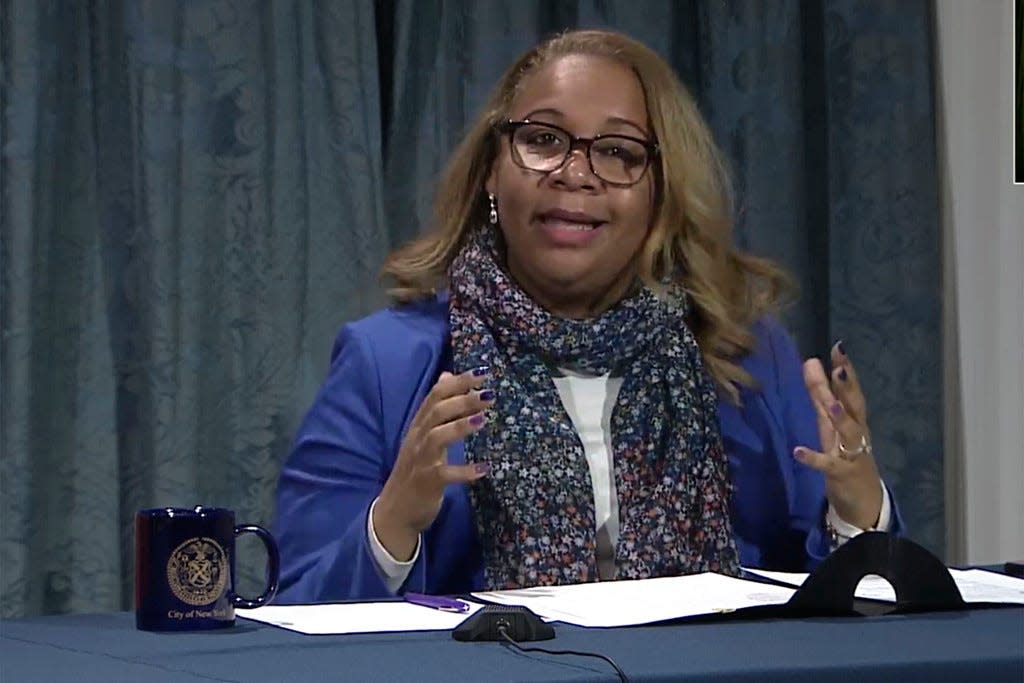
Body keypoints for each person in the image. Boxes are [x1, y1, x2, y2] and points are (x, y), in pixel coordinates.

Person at [272, 29, 899, 603]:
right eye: (542, 140)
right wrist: (394, 522)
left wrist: (857, 512)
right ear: (493, 169)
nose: (575, 174)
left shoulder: (746, 358)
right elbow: (298, 600)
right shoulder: (386, 363)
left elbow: (851, 608)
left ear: (661, 189)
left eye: (618, 152)